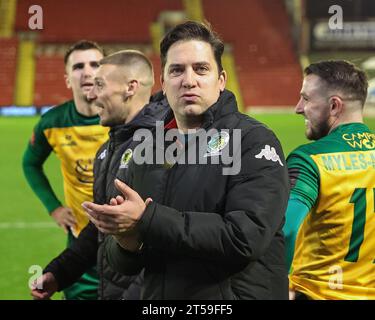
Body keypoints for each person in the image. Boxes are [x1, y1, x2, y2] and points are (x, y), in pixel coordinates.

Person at [83, 21, 290, 300]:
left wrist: (146, 218)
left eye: (201, 69)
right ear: (164, 83)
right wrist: (126, 238)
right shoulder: (147, 149)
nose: (189, 80)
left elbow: (244, 238)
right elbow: (122, 264)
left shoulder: (253, 141)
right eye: (177, 70)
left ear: (221, 80)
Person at [30, 50, 169, 300]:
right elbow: (101, 229)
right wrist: (59, 273)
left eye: (99, 85)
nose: (91, 95)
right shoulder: (109, 149)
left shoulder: (163, 147)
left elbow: (164, 247)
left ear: (130, 88)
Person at [283, 60, 375, 300]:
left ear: (334, 106)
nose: (298, 108)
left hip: (318, 293)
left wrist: (271, 282)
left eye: (307, 99)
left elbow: (285, 229)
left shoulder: (309, 159)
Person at [23, 40, 108, 300]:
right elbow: (30, 163)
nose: (87, 71)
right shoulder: (52, 122)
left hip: (127, 243)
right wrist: (54, 207)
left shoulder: (127, 119)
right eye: (78, 66)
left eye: (95, 64)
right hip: (80, 245)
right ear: (68, 79)